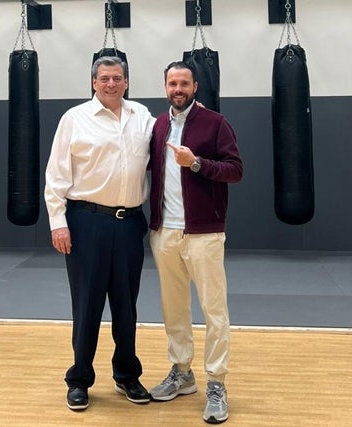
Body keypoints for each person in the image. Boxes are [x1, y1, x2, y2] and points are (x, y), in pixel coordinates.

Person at [44, 56, 155, 411]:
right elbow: (56, 175)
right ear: (94, 82)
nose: (111, 84)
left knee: (126, 306)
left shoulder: (143, 118)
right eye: (104, 78)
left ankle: (126, 376)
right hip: (86, 222)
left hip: (130, 223)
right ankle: (79, 379)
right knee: (87, 304)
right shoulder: (74, 119)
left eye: (118, 78)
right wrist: (57, 222)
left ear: (126, 82)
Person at [147, 61, 243, 424]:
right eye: (172, 83)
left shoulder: (216, 124)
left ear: (195, 87)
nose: (178, 89)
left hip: (204, 233)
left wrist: (198, 164)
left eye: (184, 83)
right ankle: (182, 373)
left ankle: (216, 383)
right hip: (165, 233)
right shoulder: (158, 125)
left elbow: (235, 170)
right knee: (174, 310)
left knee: (214, 311)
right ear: (165, 87)